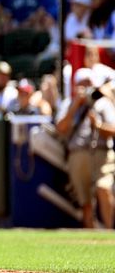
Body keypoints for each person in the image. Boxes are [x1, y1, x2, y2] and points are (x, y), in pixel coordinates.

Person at [56, 68, 115, 229]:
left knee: (104, 188)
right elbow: (60, 128)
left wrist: (98, 125)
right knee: (85, 201)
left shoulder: (103, 103)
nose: (86, 87)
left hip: (102, 154)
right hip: (78, 154)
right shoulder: (69, 103)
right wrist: (75, 106)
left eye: (88, 83)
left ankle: (110, 233)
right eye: (82, 84)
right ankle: (92, 237)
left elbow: (114, 130)